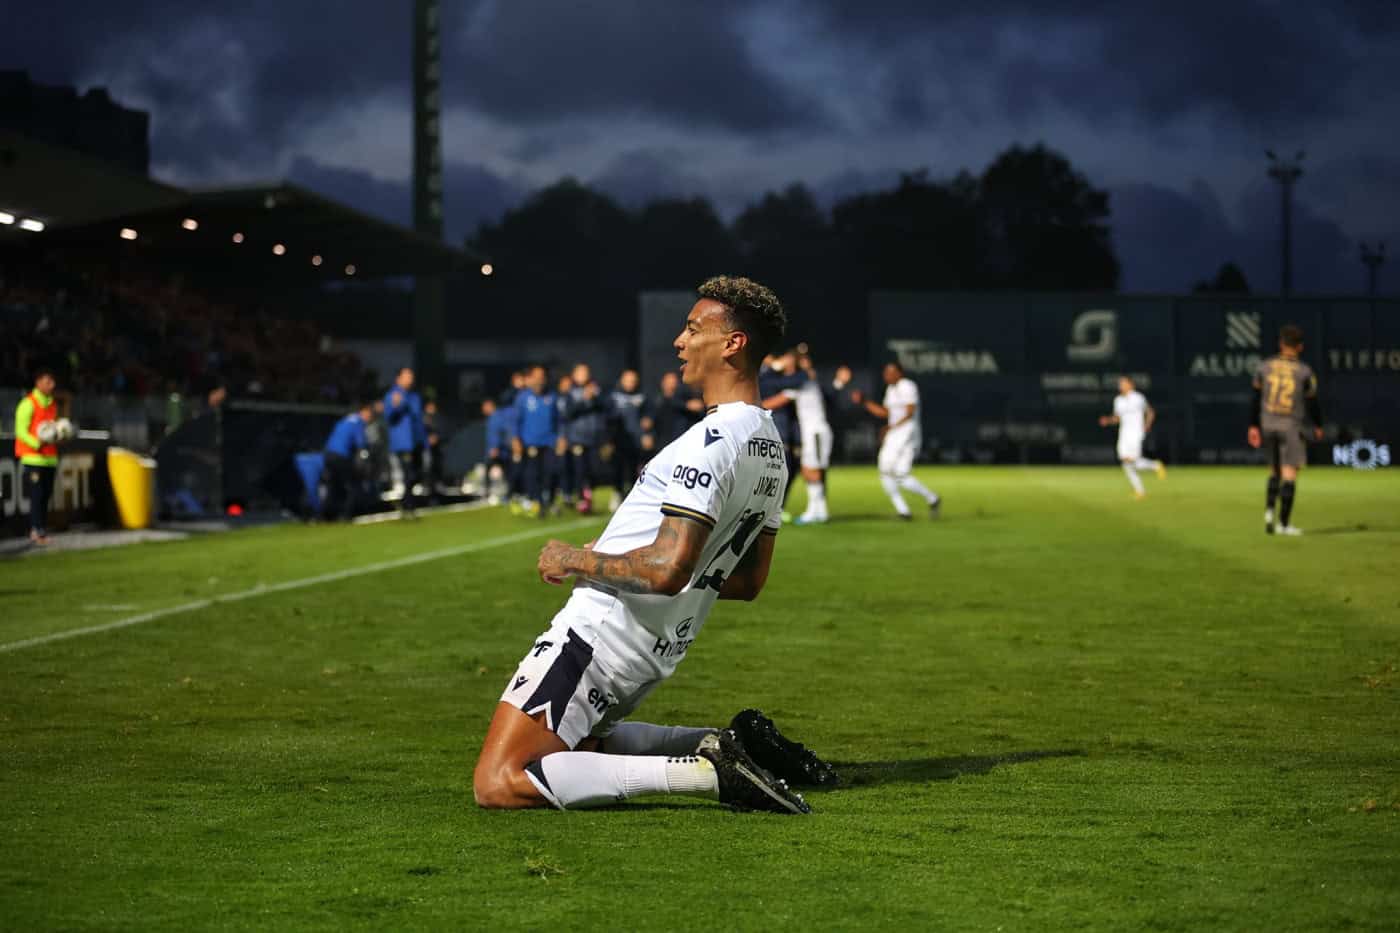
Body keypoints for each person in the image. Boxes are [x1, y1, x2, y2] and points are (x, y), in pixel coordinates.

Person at [472, 275, 835, 814]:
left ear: (733, 344)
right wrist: (626, 550)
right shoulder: (771, 449)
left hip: (595, 639)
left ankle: (710, 776)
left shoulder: (709, 443)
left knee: (500, 780)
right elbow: (747, 581)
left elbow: (666, 569)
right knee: (580, 751)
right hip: (653, 651)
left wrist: (575, 558)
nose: (679, 343)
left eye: (692, 330)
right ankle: (722, 743)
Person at [1248, 324, 1323, 535]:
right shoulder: (1305, 371)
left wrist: (1253, 425)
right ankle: (1284, 524)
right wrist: (1318, 425)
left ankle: (1269, 513)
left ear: (1281, 344)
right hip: (1291, 425)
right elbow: (1312, 402)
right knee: (1289, 473)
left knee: (1274, 471)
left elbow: (1255, 398)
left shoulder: (1265, 367)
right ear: (1300, 347)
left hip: (1267, 423)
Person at [852, 361, 941, 520]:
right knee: (898, 475)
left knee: (889, 469)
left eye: (890, 372)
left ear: (900, 373)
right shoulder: (891, 389)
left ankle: (906, 509)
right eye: (885, 372)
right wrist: (865, 402)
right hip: (896, 434)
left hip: (907, 434)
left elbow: (910, 412)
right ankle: (927, 501)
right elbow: (885, 413)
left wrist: (890, 428)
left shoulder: (907, 386)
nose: (886, 375)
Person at [764, 347, 833, 525]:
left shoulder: (802, 382)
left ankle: (817, 511)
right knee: (808, 470)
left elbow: (776, 399)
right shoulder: (799, 383)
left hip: (816, 431)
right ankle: (817, 510)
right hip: (811, 432)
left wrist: (756, 405)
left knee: (814, 470)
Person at [1098, 376, 1166, 499]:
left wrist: (1147, 425)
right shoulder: (1118, 400)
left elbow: (1150, 412)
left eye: (1123, 383)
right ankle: (1140, 490)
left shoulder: (1138, 398)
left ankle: (1155, 466)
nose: (1121, 386)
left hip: (1136, 433)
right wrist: (1108, 421)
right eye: (1120, 384)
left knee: (1132, 461)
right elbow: (1117, 418)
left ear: (1130, 385)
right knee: (1126, 462)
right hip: (1124, 434)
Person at [13, 368, 59, 546]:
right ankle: (35, 530)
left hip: (50, 458)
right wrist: (37, 442)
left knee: (46, 496)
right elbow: (20, 431)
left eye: (52, 381)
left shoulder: (52, 403)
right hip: (33, 459)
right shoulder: (28, 403)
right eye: (48, 381)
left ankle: (42, 529)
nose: (52, 385)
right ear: (38, 382)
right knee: (36, 496)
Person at [560, 364, 607, 514]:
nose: (583, 376)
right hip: (577, 438)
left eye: (585, 373)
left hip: (594, 438)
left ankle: (588, 491)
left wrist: (595, 397)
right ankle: (582, 498)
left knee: (595, 469)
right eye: (580, 373)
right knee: (580, 470)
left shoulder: (597, 389)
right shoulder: (571, 393)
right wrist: (584, 400)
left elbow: (606, 407)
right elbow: (568, 413)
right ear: (574, 375)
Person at [514, 365, 560, 518]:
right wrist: (516, 440)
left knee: (551, 472)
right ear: (531, 378)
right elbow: (516, 421)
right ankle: (537, 502)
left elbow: (559, 420)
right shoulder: (523, 398)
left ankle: (550, 500)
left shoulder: (552, 396)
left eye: (542, 377)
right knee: (533, 474)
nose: (539, 380)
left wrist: (560, 438)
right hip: (530, 443)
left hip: (549, 442)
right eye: (537, 377)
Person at [383, 367, 425, 517]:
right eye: (407, 376)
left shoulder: (414, 397)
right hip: (403, 443)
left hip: (416, 442)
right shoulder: (392, 395)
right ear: (398, 378)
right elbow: (388, 417)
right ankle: (408, 506)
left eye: (411, 376)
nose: (410, 379)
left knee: (418, 474)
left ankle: (406, 502)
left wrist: (424, 441)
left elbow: (418, 419)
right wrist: (396, 405)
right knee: (409, 473)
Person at [322, 401, 374, 520]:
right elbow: (361, 444)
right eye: (369, 415)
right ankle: (346, 515)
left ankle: (324, 516)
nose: (369, 418)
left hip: (328, 454)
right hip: (341, 456)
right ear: (364, 412)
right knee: (352, 486)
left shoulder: (345, 420)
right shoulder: (358, 422)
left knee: (332, 486)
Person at [607, 369, 650, 512]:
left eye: (633, 380)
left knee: (634, 470)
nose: (631, 383)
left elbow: (649, 416)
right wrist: (608, 440)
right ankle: (617, 494)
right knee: (617, 469)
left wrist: (647, 429)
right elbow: (607, 418)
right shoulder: (613, 397)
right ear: (622, 380)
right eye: (628, 380)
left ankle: (632, 498)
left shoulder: (642, 396)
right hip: (619, 440)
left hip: (636, 440)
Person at [650, 369, 705, 448]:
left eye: (674, 383)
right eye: (668, 383)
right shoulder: (657, 400)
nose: (671, 385)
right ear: (663, 383)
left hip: (682, 440)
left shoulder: (685, 396)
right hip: (663, 442)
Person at [482, 398, 513, 506]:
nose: (483, 409)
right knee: (495, 472)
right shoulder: (493, 417)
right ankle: (492, 494)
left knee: (505, 473)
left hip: (499, 452)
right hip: (497, 450)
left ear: (490, 405)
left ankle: (503, 495)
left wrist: (495, 447)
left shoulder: (497, 417)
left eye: (485, 406)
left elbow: (498, 434)